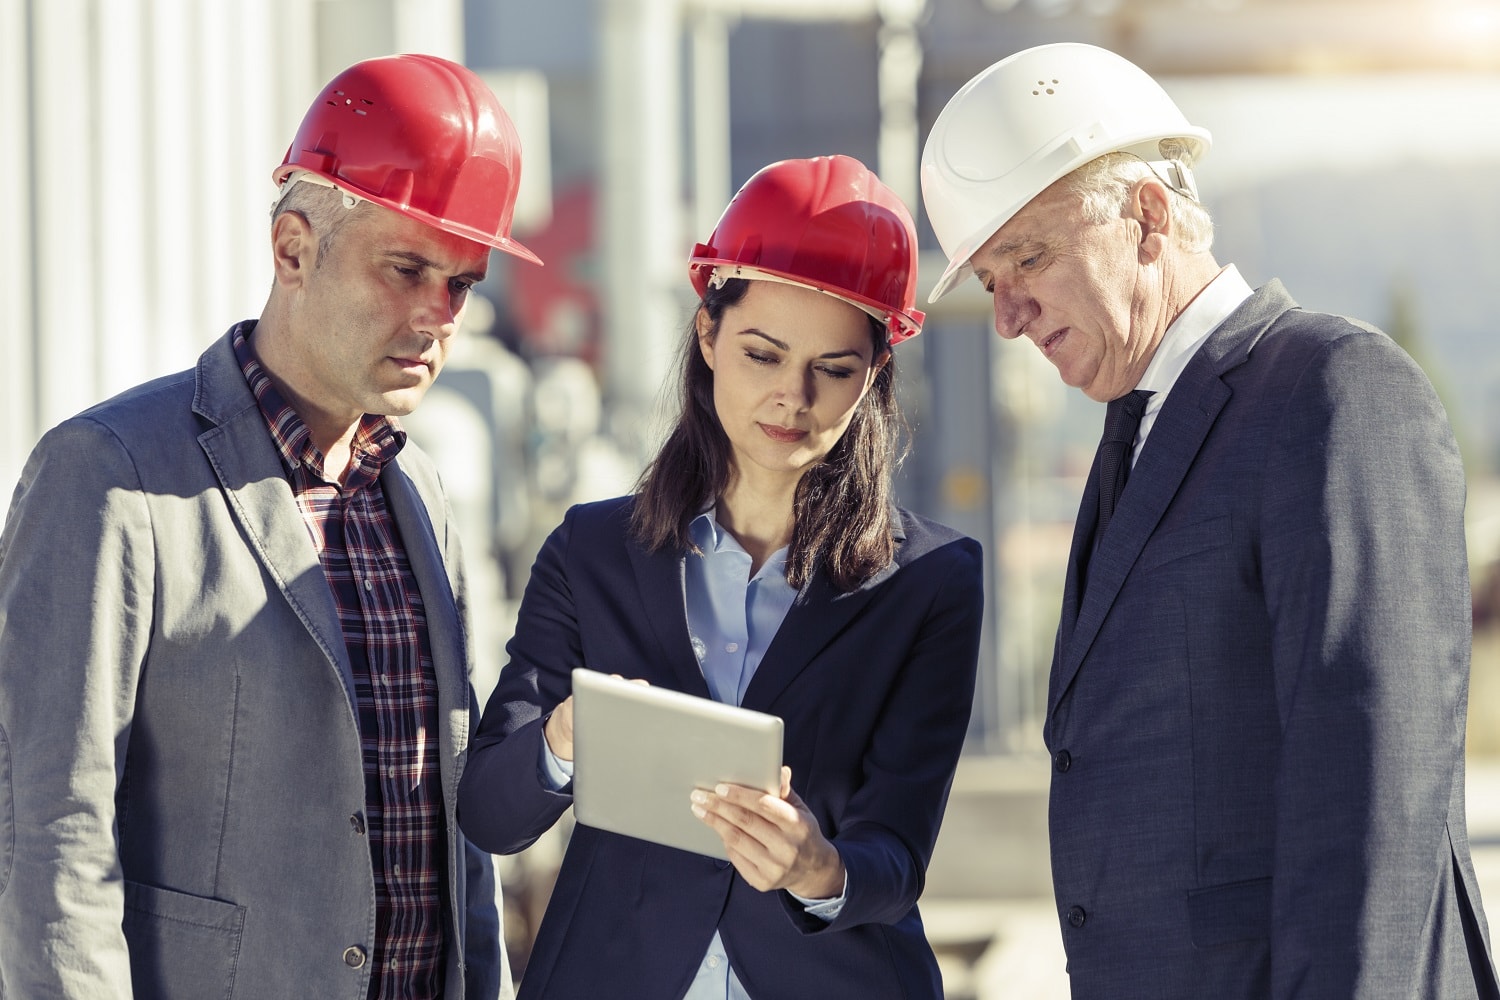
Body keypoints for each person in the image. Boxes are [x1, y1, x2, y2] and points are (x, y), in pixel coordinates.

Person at [920, 41, 1500, 999]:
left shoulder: (1331, 392)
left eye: (1027, 257)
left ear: (1148, 216)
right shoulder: (1133, 441)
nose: (1009, 318)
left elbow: (1373, 802)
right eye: (990, 281)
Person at [0, 53, 543, 999]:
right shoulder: (112, 476)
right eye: (407, 268)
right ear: (293, 247)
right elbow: (49, 831)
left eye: (459, 284)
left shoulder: (423, 498)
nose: (435, 315)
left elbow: (452, 835)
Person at [456, 154, 984, 999]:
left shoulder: (929, 582)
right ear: (707, 335)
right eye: (762, 355)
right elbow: (488, 809)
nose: (792, 397)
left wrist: (818, 868)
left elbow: (897, 852)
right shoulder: (592, 553)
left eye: (834, 369)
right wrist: (561, 743)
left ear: (877, 371)